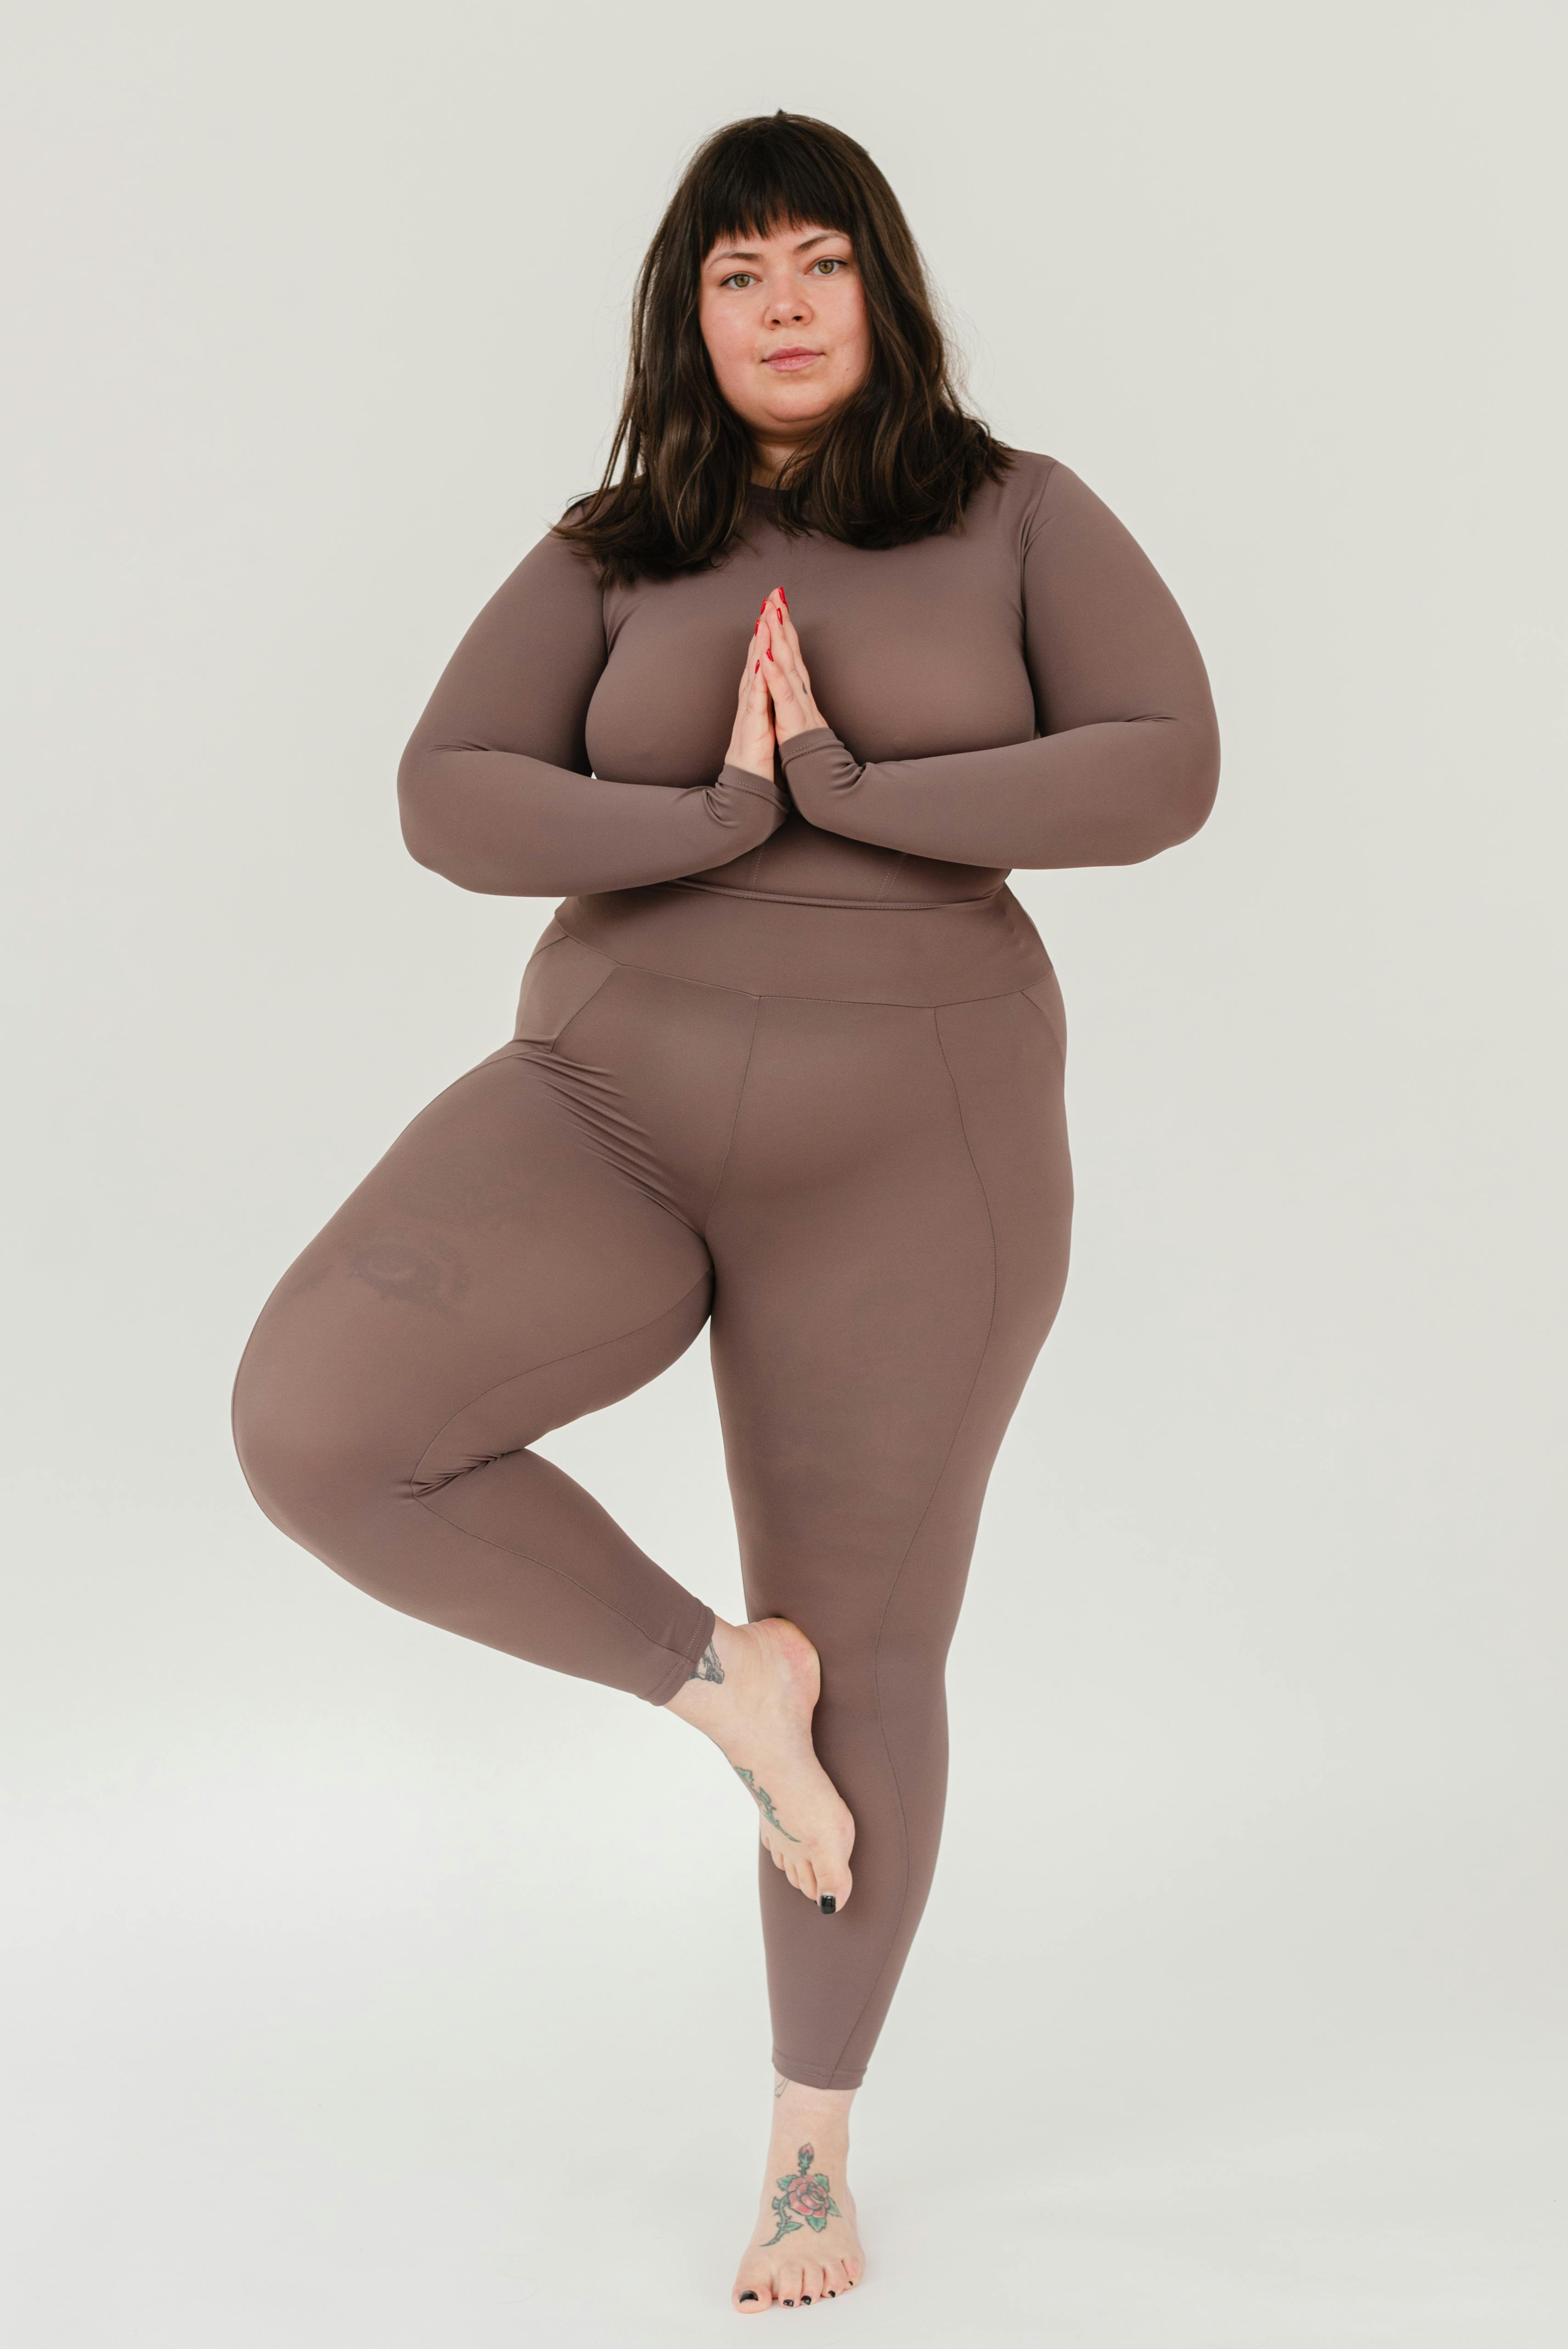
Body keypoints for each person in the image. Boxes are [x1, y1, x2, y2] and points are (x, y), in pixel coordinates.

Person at [231, 109, 1220, 2314]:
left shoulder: (1014, 514)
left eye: (817, 266)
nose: (780, 311)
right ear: (688, 317)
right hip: (608, 1088)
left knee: (870, 1642)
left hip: (920, 1133)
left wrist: (862, 794)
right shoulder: (619, 537)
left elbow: (1161, 758)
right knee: (319, 1424)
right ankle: (711, 1679)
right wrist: (709, 812)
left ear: (883, 289)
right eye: (735, 276)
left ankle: (803, 2157)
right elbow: (446, 793)